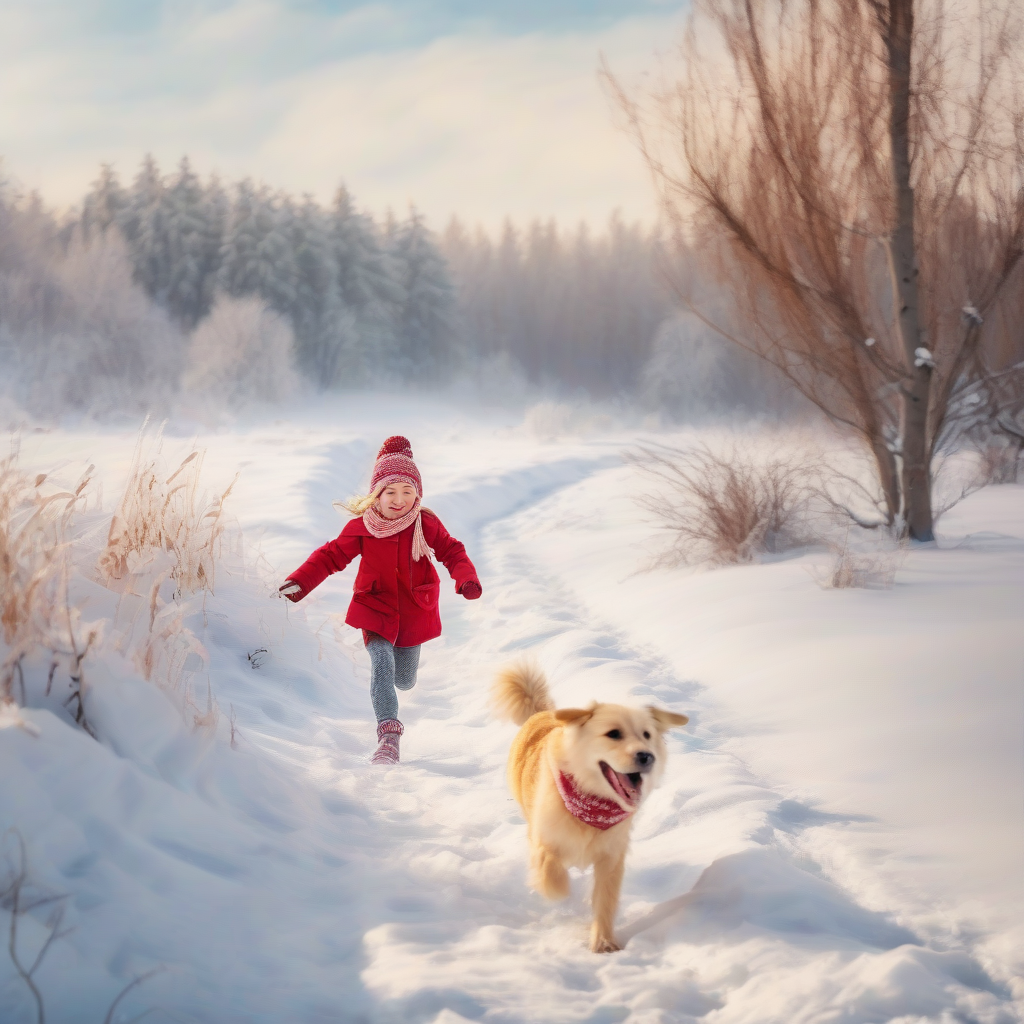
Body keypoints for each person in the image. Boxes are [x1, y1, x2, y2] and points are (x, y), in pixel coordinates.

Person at [279, 436, 482, 764]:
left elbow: (451, 550)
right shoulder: (363, 526)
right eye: (391, 492)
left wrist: (466, 578)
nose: (399, 500)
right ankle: (388, 735)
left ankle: (395, 700)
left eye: (407, 492)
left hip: (415, 611)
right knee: (383, 664)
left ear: (417, 494)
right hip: (374, 607)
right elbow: (329, 556)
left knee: (405, 679)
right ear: (377, 493)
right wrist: (295, 586)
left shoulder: (423, 523)